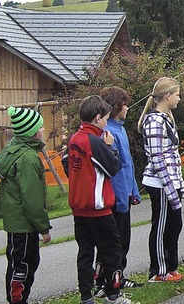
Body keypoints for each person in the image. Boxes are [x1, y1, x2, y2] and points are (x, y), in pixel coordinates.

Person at [62, 96, 129, 304]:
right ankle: (113, 294)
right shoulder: (94, 141)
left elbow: (67, 164)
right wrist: (109, 146)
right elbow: (113, 167)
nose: (106, 123)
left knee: (85, 254)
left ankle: (85, 296)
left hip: (79, 208)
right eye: (105, 119)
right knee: (112, 252)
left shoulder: (74, 138)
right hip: (98, 208)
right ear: (98, 117)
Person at [0, 107, 51, 304]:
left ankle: (20, 298)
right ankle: (17, 300)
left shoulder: (14, 148)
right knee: (23, 264)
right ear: (32, 132)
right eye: (40, 127)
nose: (43, 130)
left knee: (24, 261)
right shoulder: (28, 158)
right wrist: (44, 228)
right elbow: (32, 199)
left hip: (18, 222)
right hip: (23, 223)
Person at [93, 87, 143, 297]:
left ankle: (118, 276)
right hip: (114, 197)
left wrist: (134, 190)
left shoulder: (120, 128)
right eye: (125, 104)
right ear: (116, 107)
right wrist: (121, 196)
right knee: (112, 242)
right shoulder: (109, 132)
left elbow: (128, 164)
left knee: (124, 240)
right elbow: (114, 168)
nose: (128, 107)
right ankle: (104, 283)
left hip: (126, 192)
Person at [138, 77, 184, 281]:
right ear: (167, 96)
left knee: (175, 225)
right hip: (160, 184)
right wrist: (169, 189)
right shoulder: (155, 121)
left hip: (171, 182)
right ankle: (158, 271)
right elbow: (157, 158)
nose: (179, 98)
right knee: (161, 227)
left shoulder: (167, 118)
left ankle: (171, 266)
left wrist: (178, 188)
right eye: (176, 94)